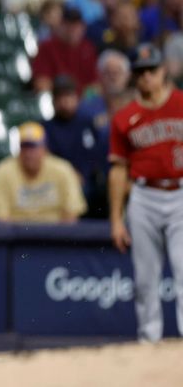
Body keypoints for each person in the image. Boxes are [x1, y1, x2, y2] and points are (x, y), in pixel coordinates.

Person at [109, 43, 183, 342]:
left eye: (151, 70)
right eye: (140, 72)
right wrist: (116, 219)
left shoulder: (181, 103)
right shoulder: (125, 117)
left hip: (180, 194)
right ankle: (148, 343)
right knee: (144, 280)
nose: (146, 77)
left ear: (163, 70)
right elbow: (117, 170)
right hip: (143, 197)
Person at [0, 122, 87, 222]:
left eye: (34, 147)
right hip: (16, 236)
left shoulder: (62, 169)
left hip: (55, 235)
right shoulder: (3, 171)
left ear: (44, 148)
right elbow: (0, 219)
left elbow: (71, 214)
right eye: (25, 147)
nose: (29, 153)